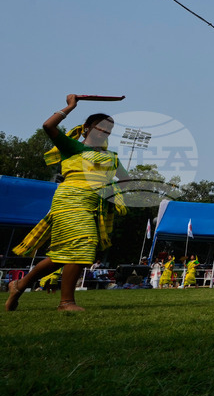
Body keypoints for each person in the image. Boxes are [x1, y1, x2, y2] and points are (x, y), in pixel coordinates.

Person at [6, 95, 127, 312]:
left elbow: (126, 181)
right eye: (101, 128)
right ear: (88, 128)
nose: (105, 133)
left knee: (62, 255)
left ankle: (20, 285)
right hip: (69, 201)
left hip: (93, 206)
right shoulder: (71, 147)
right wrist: (71, 106)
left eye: (109, 130)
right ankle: (66, 303)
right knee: (85, 244)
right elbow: (48, 125)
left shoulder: (111, 157)